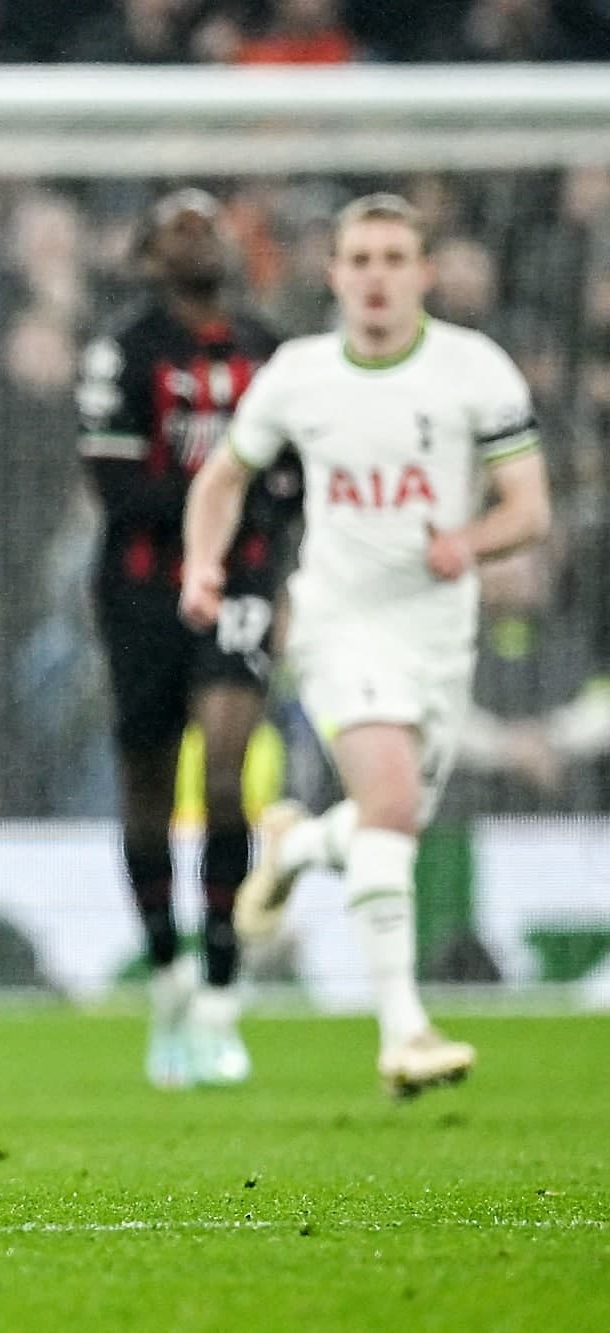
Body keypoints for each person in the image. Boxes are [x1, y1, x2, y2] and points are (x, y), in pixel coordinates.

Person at [183, 193, 549, 1097]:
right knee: (389, 806)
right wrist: (201, 564)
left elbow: (528, 507)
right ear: (333, 274)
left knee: (392, 823)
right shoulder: (300, 375)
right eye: (360, 260)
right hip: (338, 622)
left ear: (425, 273)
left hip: (437, 628)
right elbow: (224, 477)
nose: (376, 277)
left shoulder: (476, 371)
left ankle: (301, 848)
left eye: (394, 259)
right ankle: (405, 1030)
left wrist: (471, 543)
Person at [76, 189, 291, 1090]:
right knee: (148, 783)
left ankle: (222, 990)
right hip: (138, 591)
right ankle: (167, 973)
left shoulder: (271, 350)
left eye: (211, 221)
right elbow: (114, 482)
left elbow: (300, 470)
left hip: (240, 584)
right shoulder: (121, 350)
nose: (198, 234)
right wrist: (229, 492)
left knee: (229, 763)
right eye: (176, 225)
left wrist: (255, 528)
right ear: (148, 254)